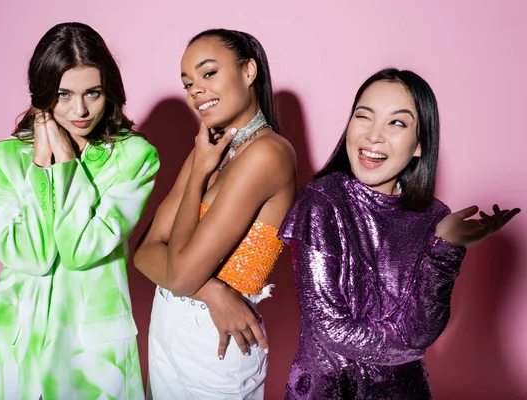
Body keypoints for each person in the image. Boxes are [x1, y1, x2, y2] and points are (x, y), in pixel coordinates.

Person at [278, 68, 521, 399]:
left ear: (419, 145)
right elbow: (330, 328)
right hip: (329, 391)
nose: (373, 136)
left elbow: (425, 327)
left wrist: (445, 247)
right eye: (364, 117)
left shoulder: (435, 218)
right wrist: (409, 346)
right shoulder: (321, 203)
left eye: (396, 123)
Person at [0, 22, 159, 400]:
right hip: (14, 346)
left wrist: (66, 164)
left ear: (109, 92)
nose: (81, 110)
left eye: (93, 93)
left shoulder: (135, 158)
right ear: (42, 95)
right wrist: (41, 164)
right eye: (63, 95)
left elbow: (80, 250)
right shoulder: (2, 159)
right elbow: (31, 257)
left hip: (92, 354)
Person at [133, 28, 296, 399]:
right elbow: (144, 251)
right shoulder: (210, 147)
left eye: (208, 74)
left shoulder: (268, 154)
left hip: (218, 342)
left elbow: (183, 275)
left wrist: (198, 175)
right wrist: (213, 292)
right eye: (188, 83)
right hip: (169, 328)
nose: (196, 91)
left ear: (249, 71)